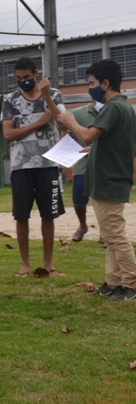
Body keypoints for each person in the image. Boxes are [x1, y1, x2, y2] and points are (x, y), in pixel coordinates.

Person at [55, 59, 136, 301]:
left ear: (105, 83)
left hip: (109, 180)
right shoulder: (127, 107)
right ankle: (113, 282)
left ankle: (131, 283)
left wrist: (70, 121)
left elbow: (88, 135)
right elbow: (112, 143)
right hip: (110, 178)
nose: (90, 87)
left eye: (91, 83)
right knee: (110, 235)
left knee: (116, 235)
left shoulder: (113, 107)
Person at [1, 57, 66, 277]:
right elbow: (8, 135)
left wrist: (46, 96)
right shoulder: (10, 100)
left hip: (49, 164)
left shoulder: (54, 95)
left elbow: (63, 122)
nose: (23, 82)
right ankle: (25, 264)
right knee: (21, 216)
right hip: (21, 166)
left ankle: (49, 263)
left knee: (49, 214)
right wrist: (39, 122)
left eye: (27, 78)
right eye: (19, 78)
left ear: (36, 73)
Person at [67, 98, 102, 242]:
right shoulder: (78, 113)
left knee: (102, 200)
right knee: (78, 199)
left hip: (104, 165)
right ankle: (82, 226)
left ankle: (104, 231)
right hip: (83, 165)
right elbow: (66, 131)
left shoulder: (111, 112)